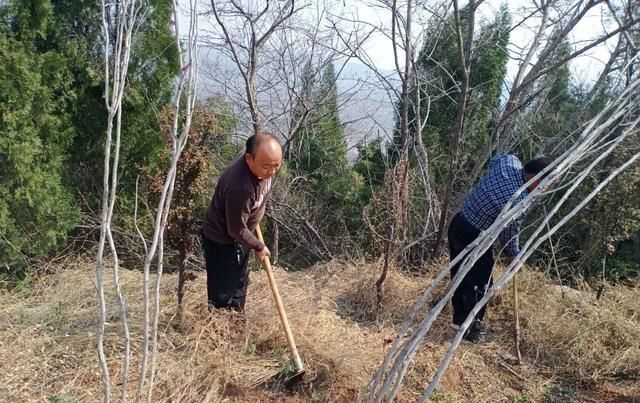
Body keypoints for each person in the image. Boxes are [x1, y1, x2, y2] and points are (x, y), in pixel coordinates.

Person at [448, 153, 552, 343]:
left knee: (459, 274)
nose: (549, 187)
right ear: (532, 177)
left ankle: (458, 319)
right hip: (476, 236)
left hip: (458, 223)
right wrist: (515, 256)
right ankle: (470, 328)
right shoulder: (519, 200)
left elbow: (495, 158)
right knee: (481, 282)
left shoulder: (508, 162)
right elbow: (509, 234)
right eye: (547, 182)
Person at [201, 133, 282, 311]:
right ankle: (219, 331)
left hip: (241, 233)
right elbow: (236, 230)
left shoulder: (259, 162)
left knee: (240, 281)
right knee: (223, 293)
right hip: (223, 241)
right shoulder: (241, 188)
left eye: (277, 165)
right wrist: (259, 246)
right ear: (248, 159)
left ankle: (236, 323)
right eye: (267, 166)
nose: (272, 171)